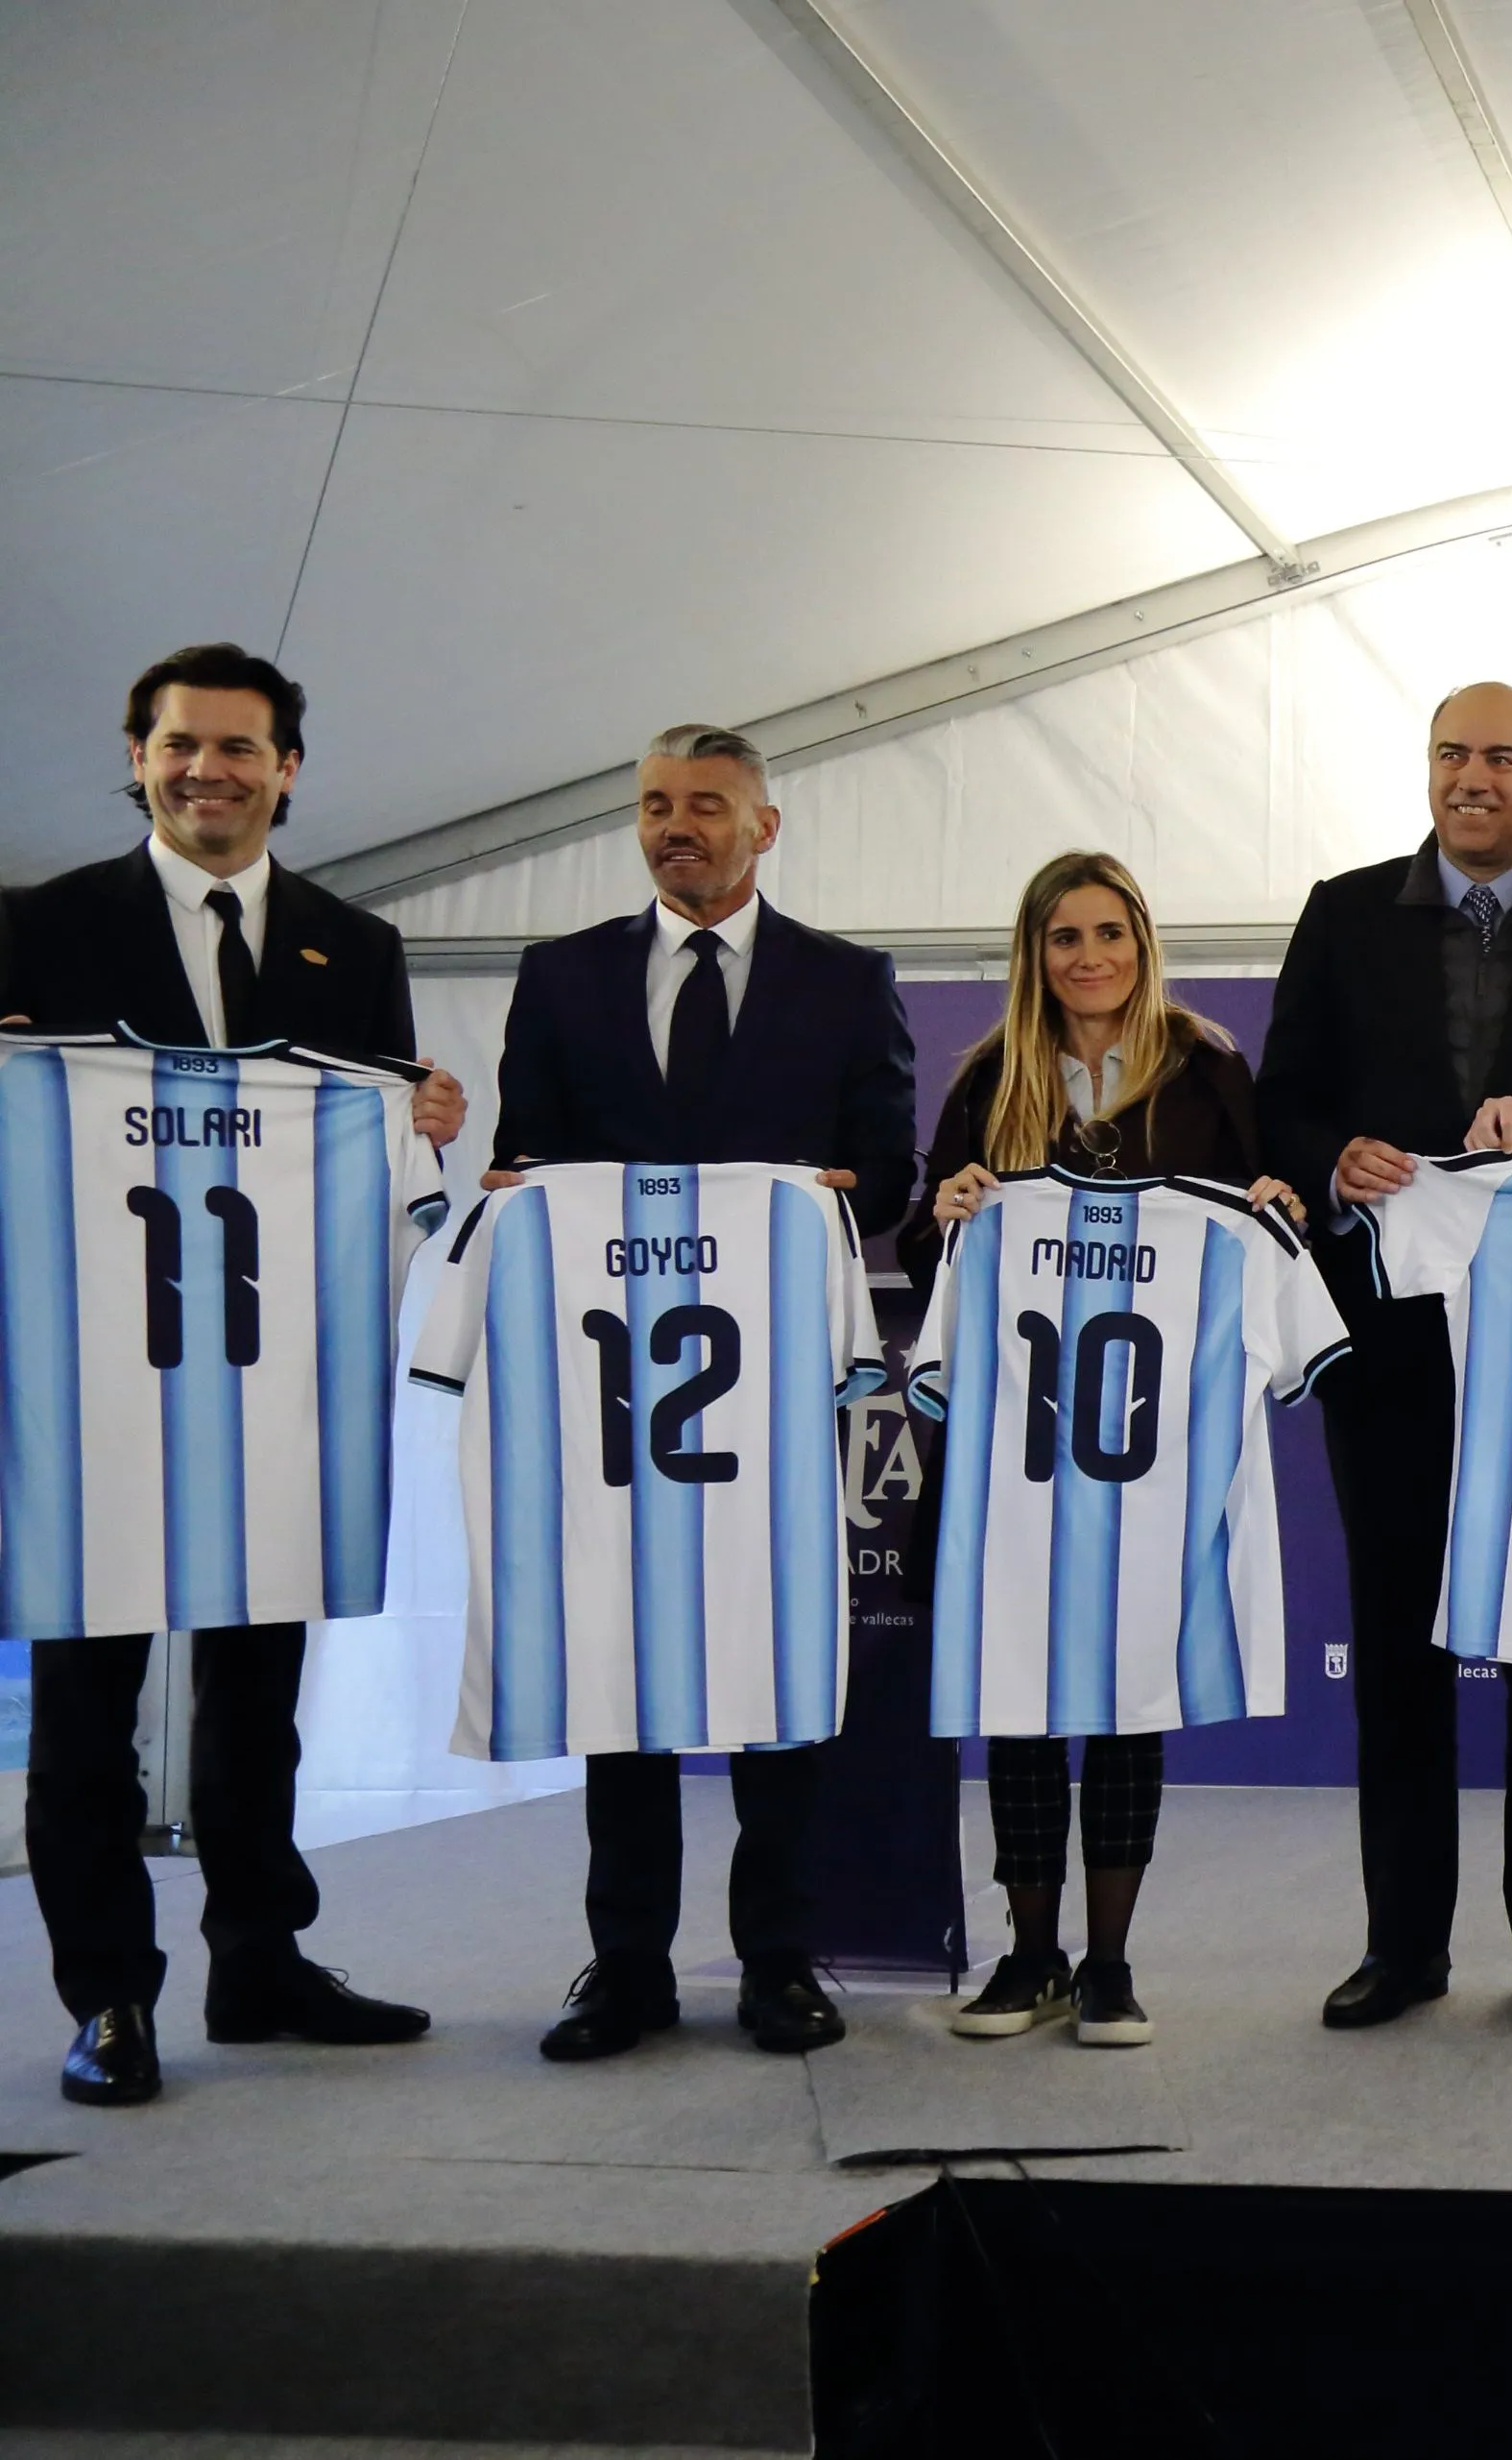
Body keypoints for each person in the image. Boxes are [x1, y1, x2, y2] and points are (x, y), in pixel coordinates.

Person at [0, 642, 468, 2108]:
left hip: (279, 1384)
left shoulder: (354, 945)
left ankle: (259, 1958)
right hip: (98, 1392)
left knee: (258, 1697)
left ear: (288, 771)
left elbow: (380, 1158)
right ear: (136, 756)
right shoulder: (37, 929)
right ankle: (110, 1999)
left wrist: (424, 1115)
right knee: (89, 1697)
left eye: (240, 748)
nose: (210, 769)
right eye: (182, 744)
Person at [486, 723, 917, 2062]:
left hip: (775, 1393)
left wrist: (829, 1199)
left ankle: (780, 1962)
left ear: (765, 827)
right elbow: (522, 1162)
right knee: (626, 1681)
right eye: (657, 805)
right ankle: (626, 1967)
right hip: (615, 1401)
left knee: (775, 1674)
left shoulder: (849, 981)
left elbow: (886, 1176)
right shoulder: (560, 978)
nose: (678, 825)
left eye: (708, 806)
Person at [1255, 682, 1512, 2032]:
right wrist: (1334, 1154)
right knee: (1398, 1646)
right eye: (1449, 755)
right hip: (1387, 1336)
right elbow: (1283, 1092)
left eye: (1499, 756)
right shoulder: (1342, 905)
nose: (1470, 777)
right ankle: (1404, 1946)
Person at [904, 851, 1300, 2049]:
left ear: (1143, 941)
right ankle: (1029, 1958)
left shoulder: (1207, 1064)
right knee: (1020, 1704)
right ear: (1035, 953)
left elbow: (1256, 1218)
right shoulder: (990, 1078)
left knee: (1130, 1700)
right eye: (1065, 937)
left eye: (1110, 934)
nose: (1090, 959)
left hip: (1151, 1462)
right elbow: (934, 1258)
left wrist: (1272, 1203)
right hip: (1015, 1469)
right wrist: (954, 1210)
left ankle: (1112, 1964)